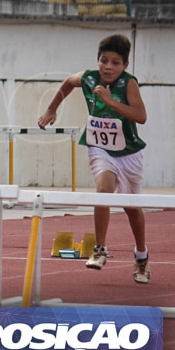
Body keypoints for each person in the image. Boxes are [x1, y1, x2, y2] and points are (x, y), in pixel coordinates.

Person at [38, 34, 150, 284]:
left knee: (132, 208)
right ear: (97, 61)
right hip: (99, 146)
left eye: (115, 63)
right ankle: (100, 249)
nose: (108, 67)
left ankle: (141, 256)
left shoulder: (128, 84)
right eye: (104, 61)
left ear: (125, 65)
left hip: (129, 152)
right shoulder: (89, 78)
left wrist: (111, 102)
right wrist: (52, 108)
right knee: (103, 190)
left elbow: (141, 116)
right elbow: (68, 82)